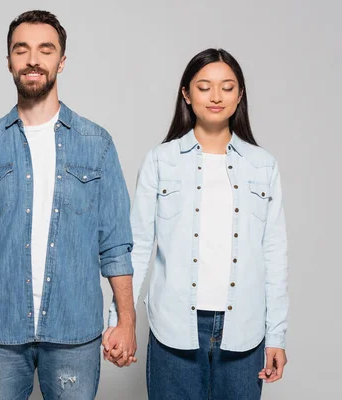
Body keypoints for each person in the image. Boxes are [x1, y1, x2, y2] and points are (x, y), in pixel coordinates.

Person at [0, 10, 136, 399]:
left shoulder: (96, 144)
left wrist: (127, 319)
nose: (33, 59)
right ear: (9, 62)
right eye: (22, 50)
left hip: (74, 330)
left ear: (61, 61)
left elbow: (115, 243)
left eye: (45, 50)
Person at [105, 48, 289, 399]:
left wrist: (276, 335)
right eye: (204, 87)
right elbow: (138, 245)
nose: (216, 96)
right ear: (187, 95)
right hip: (173, 328)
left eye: (227, 87)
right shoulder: (161, 161)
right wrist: (118, 320)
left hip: (245, 332)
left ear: (240, 95)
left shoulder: (263, 166)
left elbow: (274, 254)